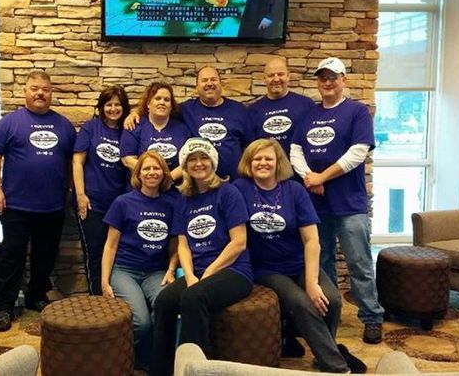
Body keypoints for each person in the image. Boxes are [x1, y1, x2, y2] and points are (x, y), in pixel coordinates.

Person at [234, 139, 366, 373]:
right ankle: (336, 365)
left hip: (298, 263)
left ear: (278, 163)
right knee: (301, 303)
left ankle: (324, 352)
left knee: (332, 299)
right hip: (265, 269)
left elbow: (312, 240)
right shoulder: (239, 189)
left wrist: (312, 282)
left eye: (268, 158)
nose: (263, 163)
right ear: (248, 163)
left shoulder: (294, 190)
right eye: (257, 158)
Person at [290, 57, 385, 344]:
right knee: (323, 261)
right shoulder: (308, 114)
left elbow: (358, 153)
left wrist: (322, 177)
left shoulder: (356, 111)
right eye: (323, 77)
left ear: (344, 80)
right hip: (316, 204)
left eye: (333, 77)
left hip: (349, 204)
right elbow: (295, 150)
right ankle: (331, 314)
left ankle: (372, 317)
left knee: (359, 262)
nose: (328, 82)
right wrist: (309, 177)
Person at [150, 138, 253, 376]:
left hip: (234, 271)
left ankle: (196, 370)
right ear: (185, 166)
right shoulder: (183, 198)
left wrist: (208, 273)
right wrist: (189, 276)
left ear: (213, 162)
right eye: (192, 159)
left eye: (204, 158)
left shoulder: (229, 192)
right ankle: (161, 370)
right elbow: (183, 245)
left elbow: (239, 242)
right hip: (197, 271)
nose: (198, 163)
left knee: (193, 297)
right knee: (164, 301)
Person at [0, 70, 76, 332]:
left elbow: (73, 162)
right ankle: (4, 307)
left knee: (44, 257)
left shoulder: (64, 125)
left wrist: (71, 191)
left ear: (51, 93)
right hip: (16, 205)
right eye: (35, 88)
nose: (40, 93)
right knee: (11, 258)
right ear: (25, 91)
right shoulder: (9, 123)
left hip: (52, 206)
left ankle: (36, 295)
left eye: (45, 89)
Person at [101, 151, 180, 370]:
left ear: (164, 173)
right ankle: (115, 356)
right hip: (125, 271)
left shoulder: (172, 203)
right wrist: (104, 281)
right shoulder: (123, 202)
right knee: (141, 322)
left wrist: (171, 269)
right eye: (146, 168)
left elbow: (175, 245)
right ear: (138, 174)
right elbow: (110, 245)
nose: (151, 172)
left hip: (156, 272)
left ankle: (146, 359)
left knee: (165, 310)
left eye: (156, 168)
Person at [126, 66, 251, 181]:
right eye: (204, 80)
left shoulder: (239, 110)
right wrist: (135, 113)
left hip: (233, 181)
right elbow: (160, 110)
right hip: (199, 184)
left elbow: (248, 147)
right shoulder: (186, 109)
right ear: (196, 87)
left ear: (221, 83)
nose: (209, 83)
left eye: (213, 79)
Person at [73, 85, 130, 296]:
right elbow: (77, 162)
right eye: (108, 104)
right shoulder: (91, 128)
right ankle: (97, 299)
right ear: (101, 107)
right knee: (95, 253)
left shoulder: (129, 130)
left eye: (118, 105)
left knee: (119, 253)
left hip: (120, 204)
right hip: (92, 203)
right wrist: (80, 195)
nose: (113, 109)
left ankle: (117, 299)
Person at [120, 82, 191, 182]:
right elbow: (127, 160)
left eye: (166, 100)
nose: (162, 102)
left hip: (173, 186)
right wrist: (153, 175)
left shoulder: (182, 129)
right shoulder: (134, 126)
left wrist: (169, 178)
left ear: (171, 106)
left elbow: (188, 161)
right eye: (157, 98)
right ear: (148, 104)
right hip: (142, 187)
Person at [249, 57, 316, 158]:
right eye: (271, 75)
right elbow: (251, 148)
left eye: (280, 74)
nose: (276, 79)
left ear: (288, 76)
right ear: (264, 79)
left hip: (299, 166)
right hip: (267, 166)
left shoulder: (306, 105)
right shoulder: (253, 110)